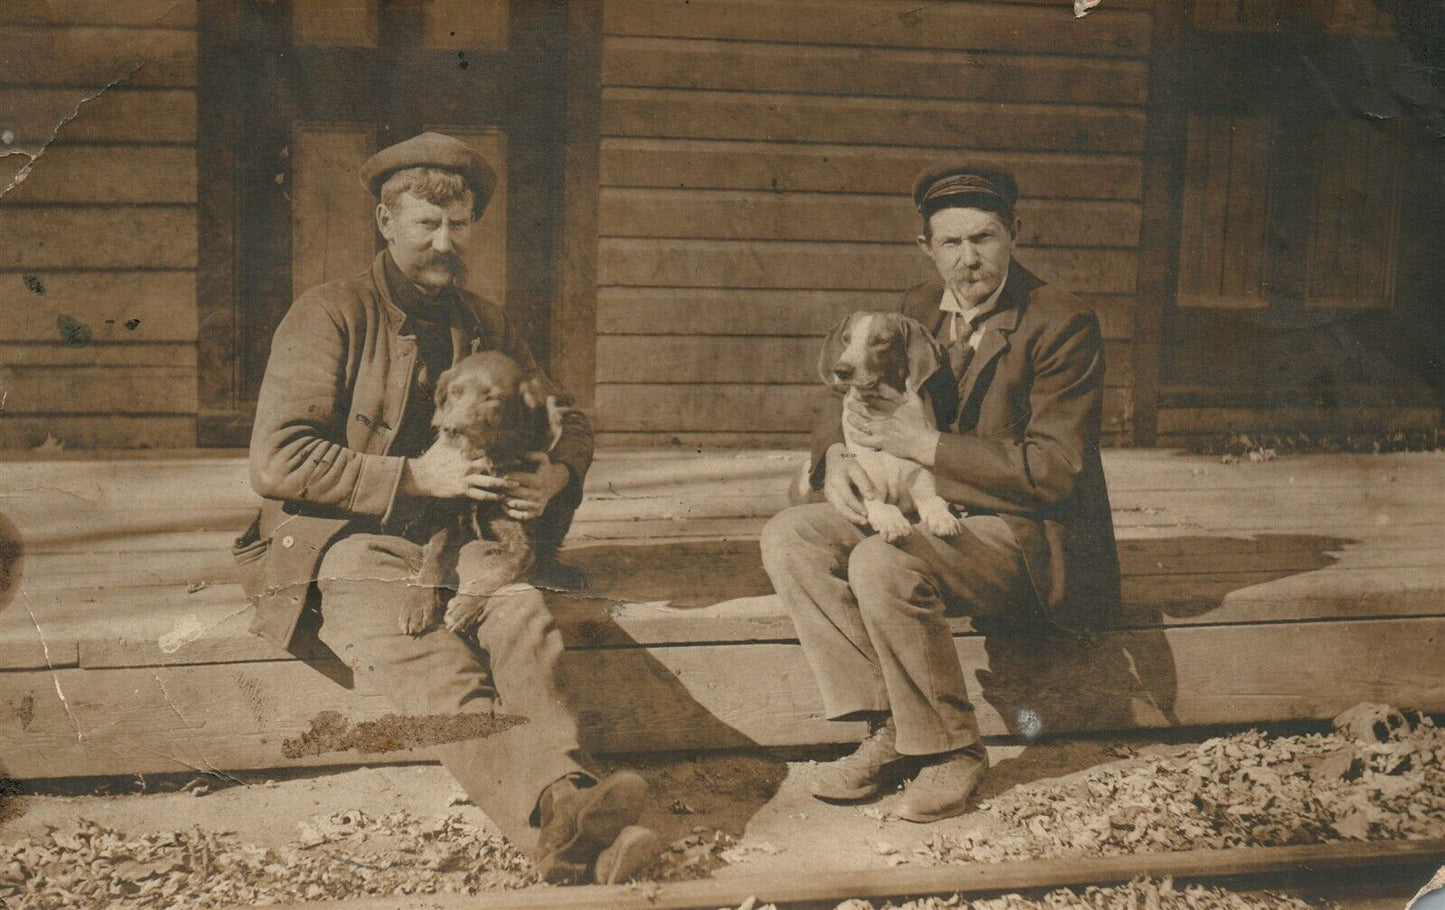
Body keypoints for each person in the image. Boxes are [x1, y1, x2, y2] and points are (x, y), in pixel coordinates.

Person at [236, 132, 658, 884]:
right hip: (343, 539)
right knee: (429, 653)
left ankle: (568, 819)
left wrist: (556, 473)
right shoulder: (328, 313)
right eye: (426, 224)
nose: (444, 242)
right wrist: (413, 476)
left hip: (461, 537)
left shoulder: (486, 322)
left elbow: (567, 415)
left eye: (458, 225)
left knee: (522, 613)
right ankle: (562, 813)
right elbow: (277, 460)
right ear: (384, 221)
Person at [760, 160, 1122, 822]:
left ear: (1014, 234)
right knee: (791, 535)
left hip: (1024, 535)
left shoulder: (1061, 322)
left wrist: (926, 447)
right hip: (926, 509)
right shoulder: (916, 306)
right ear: (925, 246)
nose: (968, 258)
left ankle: (952, 749)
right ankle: (890, 729)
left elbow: (1054, 470)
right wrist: (834, 454)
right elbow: (852, 387)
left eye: (983, 237)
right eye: (950, 242)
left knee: (882, 561)